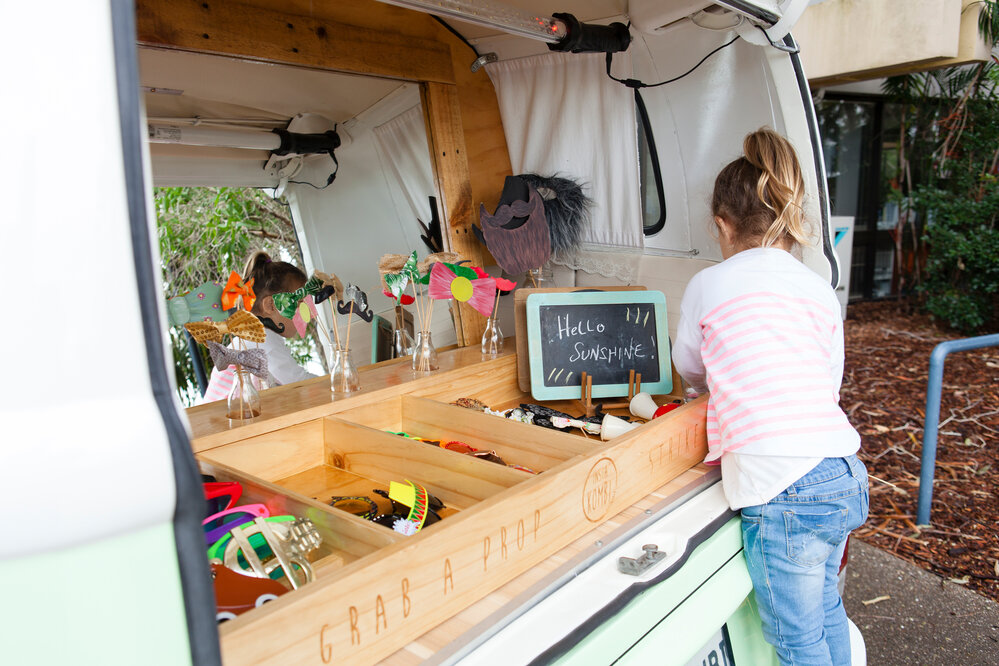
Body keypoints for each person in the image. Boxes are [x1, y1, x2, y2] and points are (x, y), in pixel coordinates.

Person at [672, 128, 869, 666]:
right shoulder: (816, 288)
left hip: (786, 492)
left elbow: (687, 366)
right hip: (842, 473)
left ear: (722, 224)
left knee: (796, 643)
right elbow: (827, 382)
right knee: (828, 610)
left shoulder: (709, 285)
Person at [203, 250, 317, 402]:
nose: (306, 311)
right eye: (299, 304)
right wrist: (336, 381)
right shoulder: (261, 338)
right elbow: (299, 382)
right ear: (270, 305)